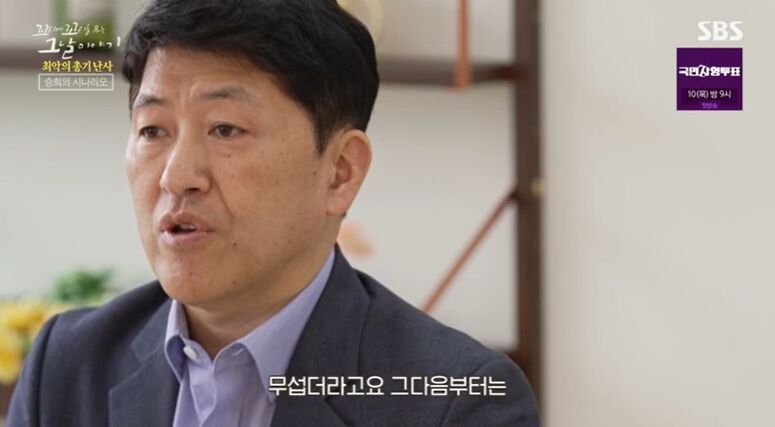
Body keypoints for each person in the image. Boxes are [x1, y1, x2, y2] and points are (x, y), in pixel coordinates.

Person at [7, 0, 539, 425]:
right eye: (153, 130)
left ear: (340, 173)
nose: (175, 175)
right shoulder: (69, 363)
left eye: (225, 129)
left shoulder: (456, 402)